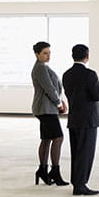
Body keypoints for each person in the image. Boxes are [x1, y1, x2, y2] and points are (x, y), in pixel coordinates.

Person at [61, 44, 99, 196]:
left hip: (74, 118)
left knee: (76, 152)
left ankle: (76, 182)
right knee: (86, 153)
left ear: (73, 56)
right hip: (88, 119)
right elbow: (98, 94)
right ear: (87, 56)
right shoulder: (90, 74)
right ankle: (81, 185)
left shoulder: (66, 74)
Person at [30, 41, 69, 186]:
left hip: (45, 108)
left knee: (46, 139)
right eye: (45, 53)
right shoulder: (40, 68)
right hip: (45, 109)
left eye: (49, 52)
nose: (48, 55)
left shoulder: (43, 67)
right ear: (37, 54)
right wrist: (59, 104)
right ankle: (55, 171)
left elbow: (53, 88)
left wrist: (60, 100)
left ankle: (42, 170)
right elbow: (49, 88)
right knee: (58, 137)